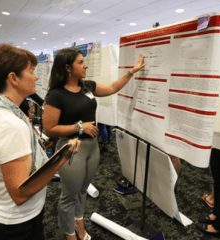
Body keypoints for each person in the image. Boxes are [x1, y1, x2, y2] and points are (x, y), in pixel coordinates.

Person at [0, 43, 80, 240]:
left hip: (5, 214)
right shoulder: (10, 125)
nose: (37, 77)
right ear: (13, 78)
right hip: (16, 224)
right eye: (31, 71)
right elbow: (20, 194)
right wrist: (61, 158)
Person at [43, 47, 145, 240]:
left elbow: (113, 87)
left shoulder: (87, 86)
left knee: (83, 189)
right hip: (72, 148)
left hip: (92, 147)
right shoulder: (56, 95)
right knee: (69, 195)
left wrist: (132, 71)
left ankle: (78, 223)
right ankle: (69, 233)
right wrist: (79, 127)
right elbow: (49, 129)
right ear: (67, 68)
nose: (86, 65)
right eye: (80, 62)